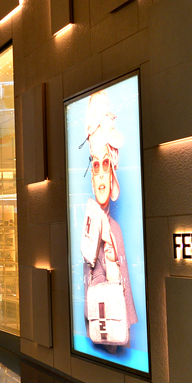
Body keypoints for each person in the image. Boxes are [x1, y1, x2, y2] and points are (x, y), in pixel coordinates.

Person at [80, 91, 137, 350]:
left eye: (106, 165)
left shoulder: (115, 228)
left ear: (112, 171)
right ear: (92, 177)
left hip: (118, 329)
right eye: (96, 166)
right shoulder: (92, 223)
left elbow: (124, 286)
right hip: (103, 327)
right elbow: (91, 283)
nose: (101, 174)